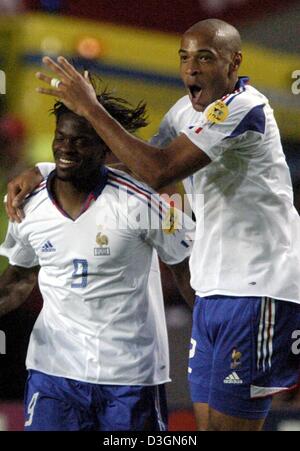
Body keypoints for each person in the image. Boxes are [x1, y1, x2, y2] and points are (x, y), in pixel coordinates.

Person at [6, 18, 300, 431]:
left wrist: (90, 107)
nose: (191, 69)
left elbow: (159, 172)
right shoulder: (186, 112)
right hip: (215, 288)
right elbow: (131, 163)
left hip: (260, 287)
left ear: (235, 63)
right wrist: (47, 169)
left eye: (205, 57)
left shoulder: (245, 108)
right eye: (184, 58)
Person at [0, 89, 195, 431]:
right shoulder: (27, 204)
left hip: (130, 379)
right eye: (61, 138)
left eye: (81, 141)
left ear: (105, 146)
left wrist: (218, 333)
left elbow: (188, 271)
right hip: (53, 375)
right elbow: (19, 278)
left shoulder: (143, 203)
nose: (66, 148)